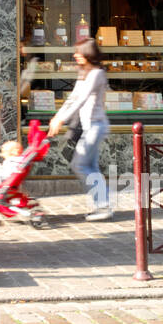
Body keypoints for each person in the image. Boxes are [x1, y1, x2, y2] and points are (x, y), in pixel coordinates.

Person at [47, 38, 112, 220]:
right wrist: (57, 117)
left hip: (96, 126)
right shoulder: (84, 72)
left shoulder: (97, 74)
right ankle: (103, 206)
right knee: (90, 166)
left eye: (78, 52)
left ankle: (103, 205)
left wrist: (61, 119)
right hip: (90, 126)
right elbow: (72, 98)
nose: (75, 55)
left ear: (87, 53)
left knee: (80, 164)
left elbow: (82, 99)